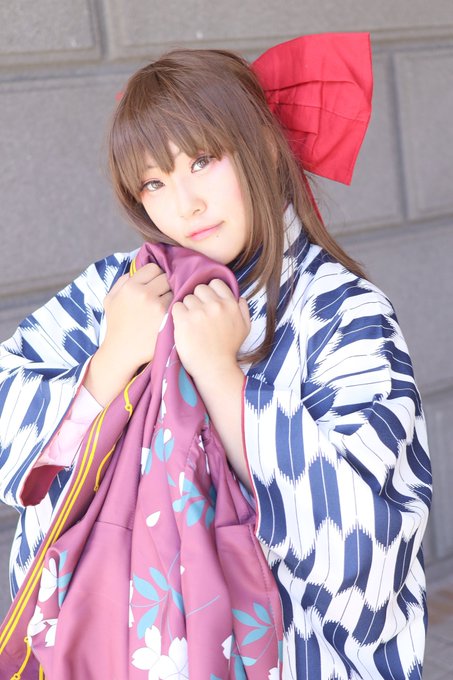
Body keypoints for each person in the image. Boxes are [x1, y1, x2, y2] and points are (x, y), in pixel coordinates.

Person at [0, 33, 432, 678]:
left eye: (202, 160)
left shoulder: (346, 311)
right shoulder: (117, 291)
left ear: (265, 144)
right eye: (154, 181)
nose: (185, 205)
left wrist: (221, 378)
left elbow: (369, 539)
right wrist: (114, 358)